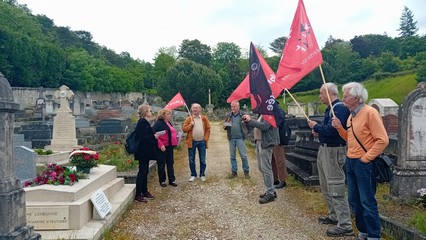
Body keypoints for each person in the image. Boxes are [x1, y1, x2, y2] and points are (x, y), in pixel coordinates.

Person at [332, 82, 389, 240]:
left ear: (356, 98)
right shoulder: (352, 116)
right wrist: (339, 128)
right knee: (354, 200)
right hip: (351, 161)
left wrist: (366, 158)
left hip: (364, 164)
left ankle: (373, 235)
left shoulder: (370, 113)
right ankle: (363, 232)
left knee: (367, 201)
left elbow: (382, 140)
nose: (343, 99)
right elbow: (349, 139)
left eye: (346, 96)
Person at [307, 83, 353, 237]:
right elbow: (327, 130)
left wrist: (316, 127)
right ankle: (334, 215)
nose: (320, 97)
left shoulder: (338, 108)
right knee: (326, 185)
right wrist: (318, 132)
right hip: (324, 149)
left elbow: (333, 132)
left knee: (335, 186)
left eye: (321, 93)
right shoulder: (331, 108)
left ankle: (345, 224)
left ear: (328, 93)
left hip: (334, 151)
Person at [243, 114, 279, 204]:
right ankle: (269, 189)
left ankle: (270, 193)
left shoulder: (270, 114)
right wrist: (249, 120)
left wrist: (250, 120)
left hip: (266, 143)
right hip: (259, 142)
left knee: (266, 168)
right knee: (261, 167)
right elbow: (259, 124)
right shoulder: (263, 114)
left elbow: (265, 126)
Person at [134, 104, 159, 203]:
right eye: (150, 111)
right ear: (145, 112)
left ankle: (144, 191)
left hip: (145, 151)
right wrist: (154, 137)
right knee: (142, 172)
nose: (151, 112)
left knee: (145, 171)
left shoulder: (145, 122)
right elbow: (142, 138)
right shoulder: (142, 123)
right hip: (142, 151)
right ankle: (138, 193)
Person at [182, 103, 211, 182]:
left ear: (200, 109)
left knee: (202, 159)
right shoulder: (189, 119)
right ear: (191, 110)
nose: (195, 110)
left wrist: (205, 139)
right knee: (191, 159)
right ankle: (193, 174)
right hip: (192, 141)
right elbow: (184, 129)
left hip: (202, 141)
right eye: (193, 108)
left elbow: (208, 129)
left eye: (196, 108)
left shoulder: (204, 118)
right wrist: (190, 126)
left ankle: (202, 174)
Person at [223, 100, 250, 179]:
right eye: (231, 106)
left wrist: (246, 132)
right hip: (231, 138)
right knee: (232, 156)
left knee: (243, 156)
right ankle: (234, 172)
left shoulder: (243, 115)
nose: (232, 108)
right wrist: (225, 125)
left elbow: (249, 125)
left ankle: (246, 172)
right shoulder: (229, 115)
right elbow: (225, 126)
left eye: (234, 106)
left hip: (240, 138)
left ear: (238, 107)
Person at [153, 108, 179, 187]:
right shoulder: (158, 123)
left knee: (170, 163)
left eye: (170, 114)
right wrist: (161, 145)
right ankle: (162, 180)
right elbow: (154, 136)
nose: (169, 116)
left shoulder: (168, 123)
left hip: (170, 146)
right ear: (163, 115)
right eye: (168, 114)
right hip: (162, 147)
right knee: (161, 164)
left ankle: (171, 180)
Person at [272, 103, 289, 189]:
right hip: (271, 138)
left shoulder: (278, 109)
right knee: (272, 160)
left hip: (278, 138)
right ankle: (275, 178)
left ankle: (283, 180)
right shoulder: (271, 109)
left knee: (279, 159)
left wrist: (272, 123)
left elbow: (280, 121)